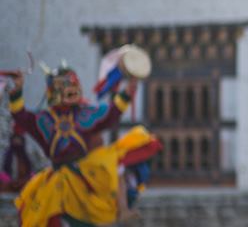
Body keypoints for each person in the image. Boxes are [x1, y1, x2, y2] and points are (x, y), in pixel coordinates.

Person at [6, 66, 161, 226]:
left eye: (74, 84)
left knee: (113, 166)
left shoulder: (85, 113)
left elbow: (111, 114)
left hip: (86, 173)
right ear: (54, 90)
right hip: (58, 181)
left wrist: (127, 92)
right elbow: (21, 116)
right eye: (66, 85)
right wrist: (17, 90)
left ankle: (123, 210)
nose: (72, 89)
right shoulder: (43, 120)